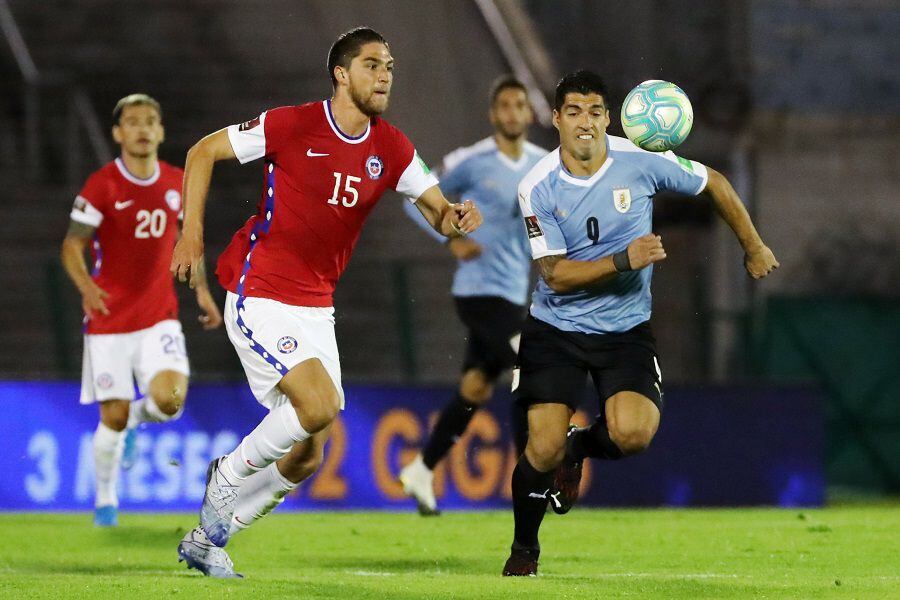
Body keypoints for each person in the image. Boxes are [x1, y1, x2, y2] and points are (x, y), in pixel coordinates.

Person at [170, 27, 483, 578]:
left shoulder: (392, 147)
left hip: (317, 306)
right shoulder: (292, 125)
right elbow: (202, 152)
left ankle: (209, 537)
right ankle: (227, 474)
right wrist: (190, 234)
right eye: (372, 65)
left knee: (308, 454)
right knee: (318, 406)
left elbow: (437, 211)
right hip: (260, 289)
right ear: (341, 74)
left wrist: (455, 217)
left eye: (389, 66)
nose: (384, 75)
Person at [502, 70, 779, 576]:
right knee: (541, 447)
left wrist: (754, 246)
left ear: (609, 118)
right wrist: (623, 260)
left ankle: (579, 446)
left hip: (625, 330)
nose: (585, 123)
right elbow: (555, 274)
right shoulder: (537, 185)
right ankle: (524, 550)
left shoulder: (640, 160)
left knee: (633, 435)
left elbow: (714, 182)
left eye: (594, 112)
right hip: (556, 329)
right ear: (556, 119)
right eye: (574, 112)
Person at [60, 93, 223, 528]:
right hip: (109, 321)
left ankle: (138, 416)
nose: (143, 128)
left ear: (161, 131)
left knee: (171, 401)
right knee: (110, 418)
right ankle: (105, 502)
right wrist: (87, 286)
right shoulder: (103, 186)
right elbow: (72, 245)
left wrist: (202, 293)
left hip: (157, 318)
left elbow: (188, 243)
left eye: (150, 120)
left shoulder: (176, 182)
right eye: (133, 122)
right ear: (118, 133)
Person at [397, 76, 546, 515]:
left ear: (529, 113)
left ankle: (422, 469)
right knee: (528, 365)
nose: (512, 112)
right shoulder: (471, 160)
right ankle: (533, 479)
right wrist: (451, 239)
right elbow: (414, 199)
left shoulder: (544, 165)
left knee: (476, 388)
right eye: (505, 105)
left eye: (519, 105)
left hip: (515, 292)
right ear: (493, 113)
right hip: (478, 292)